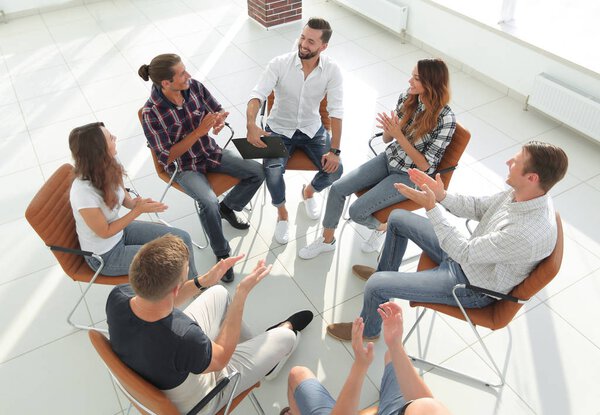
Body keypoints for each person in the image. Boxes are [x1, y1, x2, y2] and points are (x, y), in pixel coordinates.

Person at [326, 141, 568, 341]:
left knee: (376, 284)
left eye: (515, 161)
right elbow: (477, 207)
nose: (508, 162)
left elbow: (464, 252)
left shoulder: (526, 233)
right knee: (398, 218)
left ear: (532, 177)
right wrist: (441, 196)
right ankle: (386, 277)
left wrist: (432, 208)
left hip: (470, 283)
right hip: (470, 257)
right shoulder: (523, 194)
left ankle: (369, 330)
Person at [107, 235, 314, 415]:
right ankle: (270, 361)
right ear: (176, 289)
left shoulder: (118, 295)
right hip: (203, 398)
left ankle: (259, 355)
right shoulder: (186, 338)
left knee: (219, 293)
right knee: (287, 337)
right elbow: (222, 357)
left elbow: (160, 299)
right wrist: (241, 293)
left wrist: (202, 281)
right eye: (186, 274)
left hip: (167, 375)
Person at [299, 58, 456, 260]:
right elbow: (387, 139)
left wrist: (399, 135)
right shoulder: (408, 98)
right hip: (389, 158)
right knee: (338, 189)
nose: (410, 81)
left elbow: (425, 166)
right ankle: (327, 240)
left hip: (412, 175)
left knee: (357, 212)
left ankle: (385, 227)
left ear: (431, 83)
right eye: (412, 75)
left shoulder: (445, 119)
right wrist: (390, 131)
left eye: (416, 78)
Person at [139, 53, 265, 282]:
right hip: (184, 166)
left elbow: (217, 110)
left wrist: (218, 120)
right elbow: (166, 157)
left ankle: (228, 208)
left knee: (257, 171)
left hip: (209, 152)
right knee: (208, 202)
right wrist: (198, 132)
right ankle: (222, 254)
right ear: (166, 83)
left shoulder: (194, 87)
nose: (189, 76)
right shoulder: (151, 113)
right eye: (182, 73)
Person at [246, 17, 344, 245]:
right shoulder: (279, 63)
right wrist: (251, 124)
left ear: (323, 47)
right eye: (302, 37)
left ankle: (309, 191)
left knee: (335, 171)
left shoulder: (332, 70)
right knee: (271, 172)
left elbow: (336, 111)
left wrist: (335, 151)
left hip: (313, 129)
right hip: (278, 129)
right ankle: (282, 214)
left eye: (311, 41)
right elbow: (256, 95)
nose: (303, 44)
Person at [69, 122, 197, 278]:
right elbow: (105, 232)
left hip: (120, 233)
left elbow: (121, 192)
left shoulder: (110, 160)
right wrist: (138, 211)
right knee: (171, 259)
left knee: (182, 239)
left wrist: (133, 203)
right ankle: (184, 290)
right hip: (105, 255)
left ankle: (194, 284)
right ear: (99, 151)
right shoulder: (83, 193)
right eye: (110, 138)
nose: (115, 137)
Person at [281, 302, 451, 415]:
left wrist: (360, 367)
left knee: (297, 374)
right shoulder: (428, 408)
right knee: (393, 354)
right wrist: (395, 345)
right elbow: (425, 403)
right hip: (397, 410)